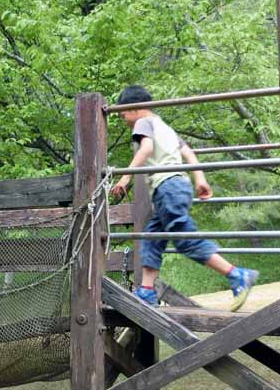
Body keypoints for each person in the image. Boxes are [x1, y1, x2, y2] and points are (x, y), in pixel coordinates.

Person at [109, 85, 259, 311]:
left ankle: (236, 274)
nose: (125, 120)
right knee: (152, 238)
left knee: (183, 237)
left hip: (168, 187)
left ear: (135, 107)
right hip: (175, 186)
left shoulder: (143, 122)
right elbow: (188, 152)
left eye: (123, 114)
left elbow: (146, 148)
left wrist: (124, 178)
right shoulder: (165, 128)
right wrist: (200, 179)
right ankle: (147, 292)